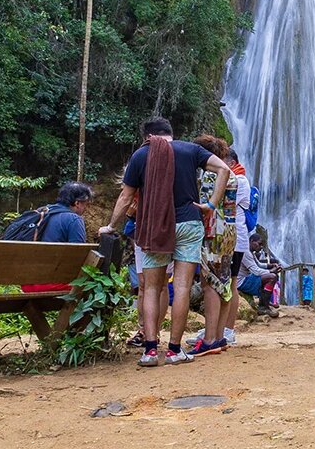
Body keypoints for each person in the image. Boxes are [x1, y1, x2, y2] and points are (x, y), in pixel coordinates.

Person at [101, 116, 231, 367]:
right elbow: (224, 169)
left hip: (155, 225)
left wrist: (111, 226)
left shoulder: (142, 155)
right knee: (181, 287)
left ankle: (150, 350)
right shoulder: (191, 149)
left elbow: (126, 197)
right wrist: (211, 205)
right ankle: (174, 350)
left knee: (151, 287)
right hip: (188, 223)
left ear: (148, 137)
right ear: (171, 133)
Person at [187, 134, 236, 358]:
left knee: (210, 284)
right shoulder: (230, 172)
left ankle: (209, 339)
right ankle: (218, 336)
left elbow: (206, 205)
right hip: (229, 232)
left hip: (213, 232)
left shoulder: (211, 174)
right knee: (224, 283)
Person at [22, 182, 92, 294]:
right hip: (52, 283)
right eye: (86, 204)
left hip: (28, 283)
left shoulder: (42, 212)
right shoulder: (74, 219)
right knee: (90, 285)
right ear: (77, 203)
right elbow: (78, 257)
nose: (86, 209)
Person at [237, 232, 279, 316]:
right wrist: (271, 271)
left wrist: (270, 266)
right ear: (252, 241)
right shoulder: (246, 253)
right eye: (259, 244)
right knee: (272, 277)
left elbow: (258, 264)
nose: (260, 247)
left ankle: (265, 301)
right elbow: (256, 271)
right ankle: (263, 307)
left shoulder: (249, 252)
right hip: (241, 282)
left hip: (246, 278)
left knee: (271, 276)